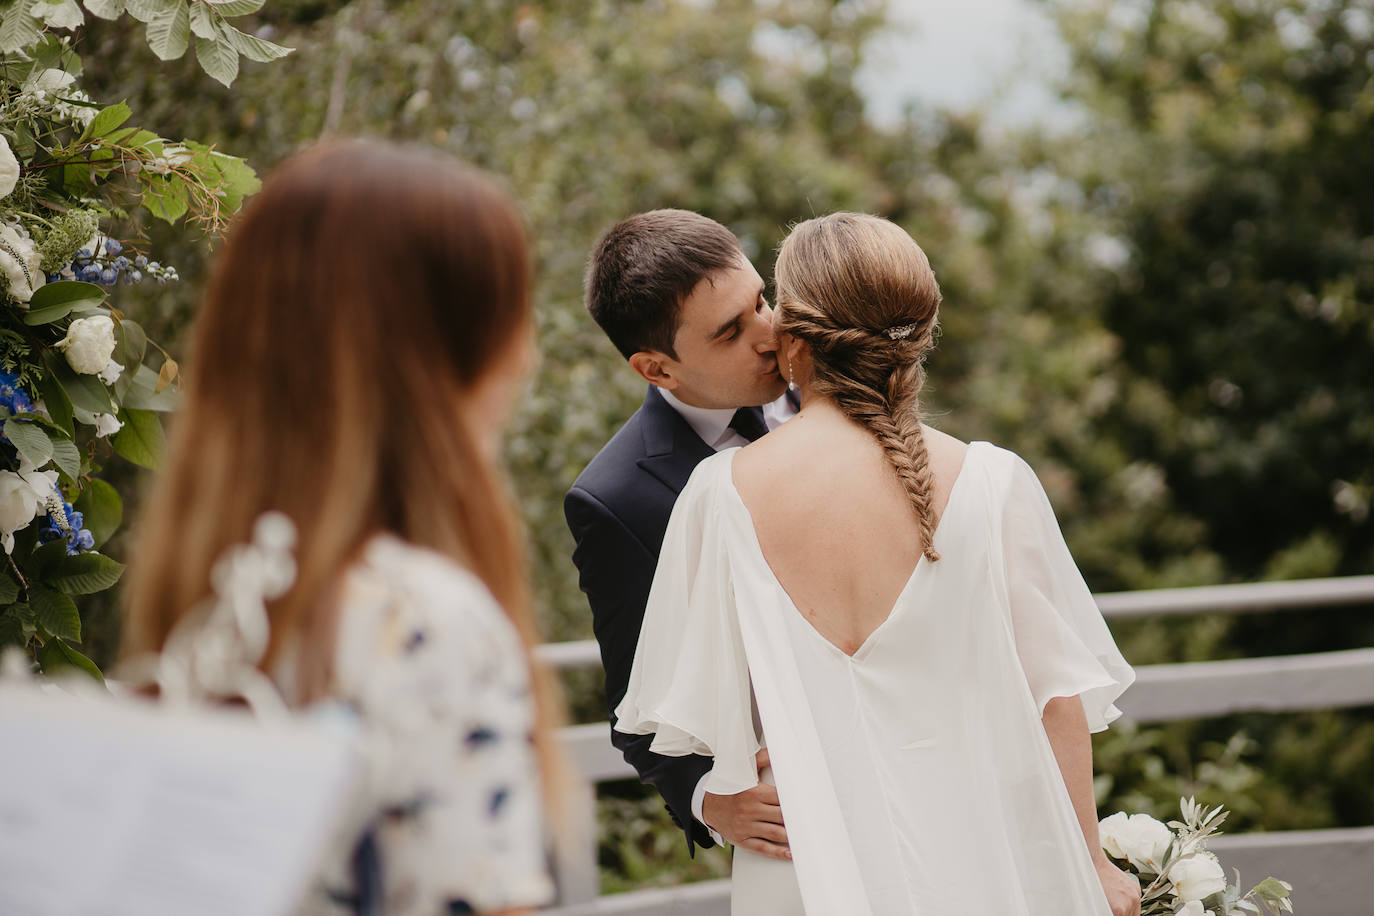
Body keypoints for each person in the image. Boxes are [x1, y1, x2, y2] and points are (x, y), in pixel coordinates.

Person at [615, 213, 1142, 915]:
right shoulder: (995, 482)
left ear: (795, 341)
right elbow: (1056, 703)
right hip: (979, 860)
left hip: (805, 868)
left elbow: (694, 705)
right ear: (920, 336)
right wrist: (1091, 864)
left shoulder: (718, 494)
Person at [121, 140, 558, 916]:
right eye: (509, 320)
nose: (526, 359)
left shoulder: (208, 620)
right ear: (444, 359)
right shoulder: (422, 623)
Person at [564, 210, 797, 862]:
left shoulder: (832, 384)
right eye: (730, 331)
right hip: (789, 804)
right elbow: (633, 704)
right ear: (656, 369)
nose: (769, 332)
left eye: (760, 300)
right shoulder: (615, 501)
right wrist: (709, 801)